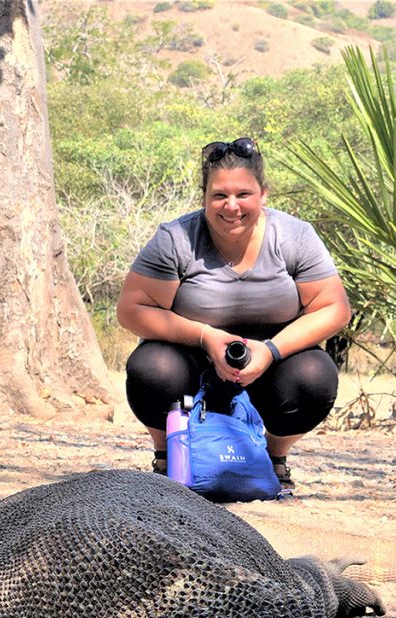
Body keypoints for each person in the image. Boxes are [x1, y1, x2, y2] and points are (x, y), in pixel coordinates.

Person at [117, 136, 350, 491]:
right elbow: (132, 310)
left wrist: (270, 351)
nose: (231, 206)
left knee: (315, 376)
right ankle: (170, 456)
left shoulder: (295, 237)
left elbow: (334, 308)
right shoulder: (176, 238)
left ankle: (273, 457)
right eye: (219, 196)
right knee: (152, 369)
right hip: (193, 367)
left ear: (263, 195)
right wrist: (205, 336)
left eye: (243, 195)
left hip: (271, 367)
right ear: (205, 197)